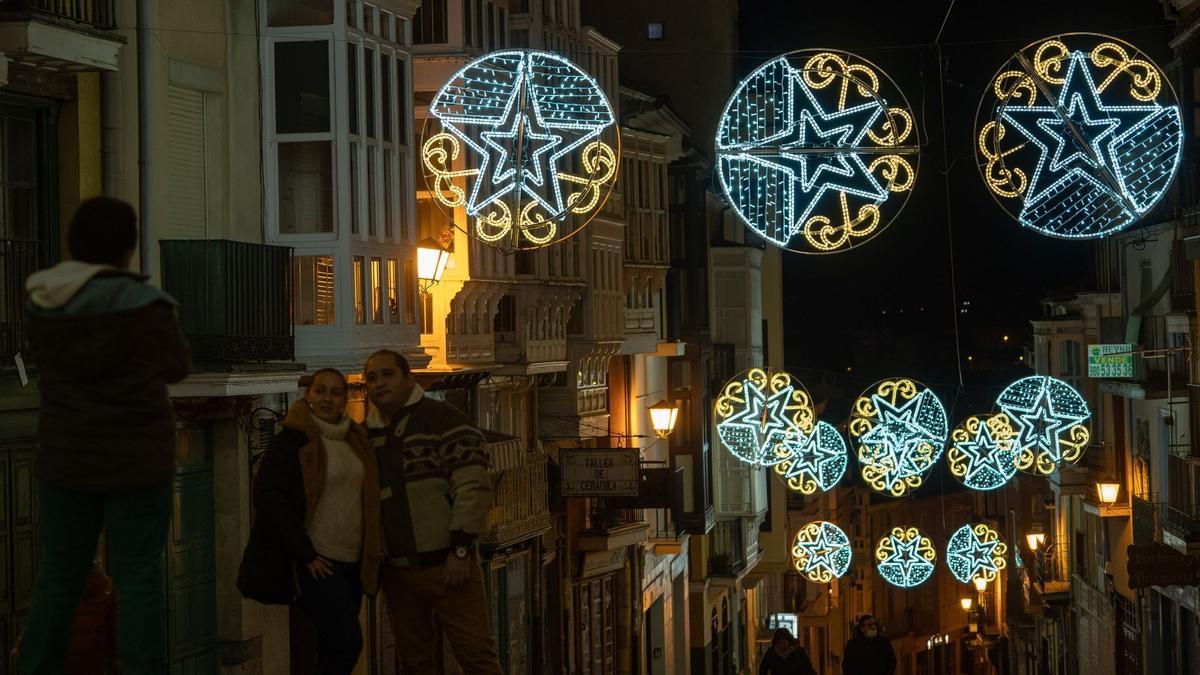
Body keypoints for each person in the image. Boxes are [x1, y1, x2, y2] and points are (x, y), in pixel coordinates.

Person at [19, 197, 190, 674]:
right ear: (128, 251)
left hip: (67, 457)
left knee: (58, 579)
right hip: (138, 459)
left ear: (73, 245)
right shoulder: (149, 307)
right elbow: (178, 366)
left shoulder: (43, 302)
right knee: (138, 577)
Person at [363, 349, 501, 674]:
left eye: (387, 374)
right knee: (414, 661)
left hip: (449, 567)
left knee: (475, 653)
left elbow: (473, 487)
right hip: (397, 572)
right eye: (372, 377)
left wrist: (461, 548)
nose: (379, 383)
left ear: (408, 378)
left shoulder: (444, 420)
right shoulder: (365, 437)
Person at [237, 369, 380, 675]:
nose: (327, 398)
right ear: (309, 396)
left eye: (335, 392)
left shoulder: (356, 440)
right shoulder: (291, 442)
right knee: (348, 643)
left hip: (352, 562)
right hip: (317, 562)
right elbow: (269, 495)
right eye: (320, 391)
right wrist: (305, 552)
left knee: (332, 646)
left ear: (344, 398)